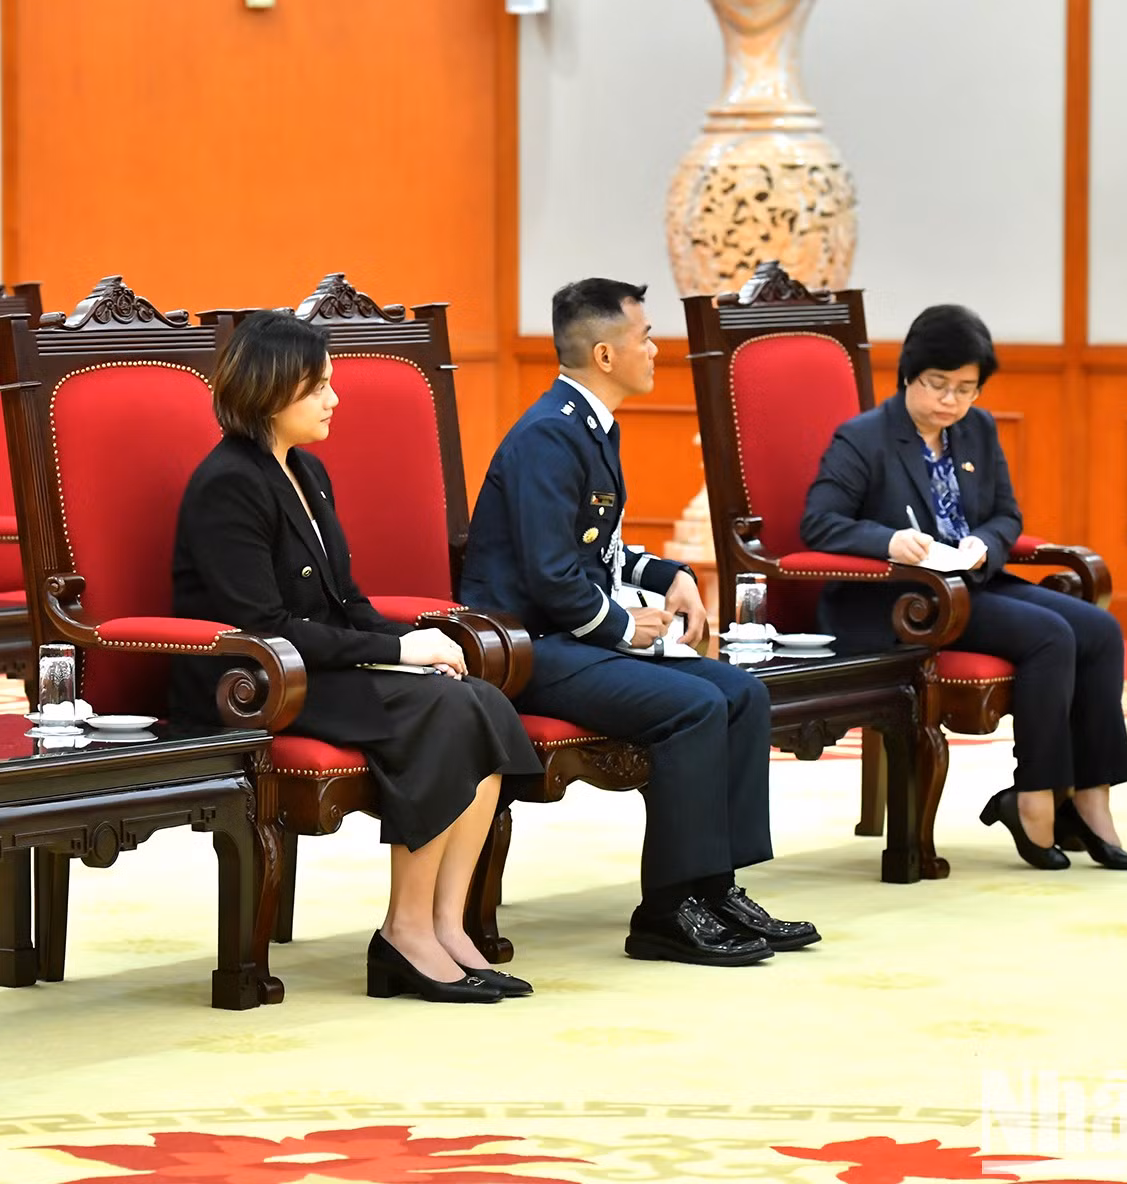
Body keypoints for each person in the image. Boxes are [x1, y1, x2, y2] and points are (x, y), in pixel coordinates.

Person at [169, 310, 542, 1004]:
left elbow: (346, 601)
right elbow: (262, 624)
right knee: (442, 714)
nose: (333, 400)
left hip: (311, 668)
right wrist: (397, 648)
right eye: (318, 387)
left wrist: (415, 654)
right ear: (271, 390)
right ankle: (405, 934)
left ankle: (445, 925)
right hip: (253, 679)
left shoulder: (306, 471)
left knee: (479, 701)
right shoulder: (230, 482)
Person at [460, 278, 819, 966]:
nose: (656, 348)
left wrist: (670, 577)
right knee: (690, 706)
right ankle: (666, 911)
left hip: (573, 639)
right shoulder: (548, 437)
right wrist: (628, 630)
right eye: (645, 336)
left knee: (741, 692)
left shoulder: (588, 426)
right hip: (529, 649)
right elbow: (550, 576)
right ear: (603, 353)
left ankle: (715, 888)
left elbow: (604, 548)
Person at [799, 304, 1127, 872]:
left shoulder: (975, 430)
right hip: (897, 600)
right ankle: (1033, 797)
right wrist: (888, 541)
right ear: (909, 374)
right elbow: (820, 523)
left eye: (966, 389)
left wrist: (984, 541)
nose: (951, 402)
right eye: (938, 385)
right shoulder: (863, 439)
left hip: (969, 583)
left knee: (1100, 630)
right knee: (1051, 635)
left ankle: (1090, 798)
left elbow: (1007, 514)